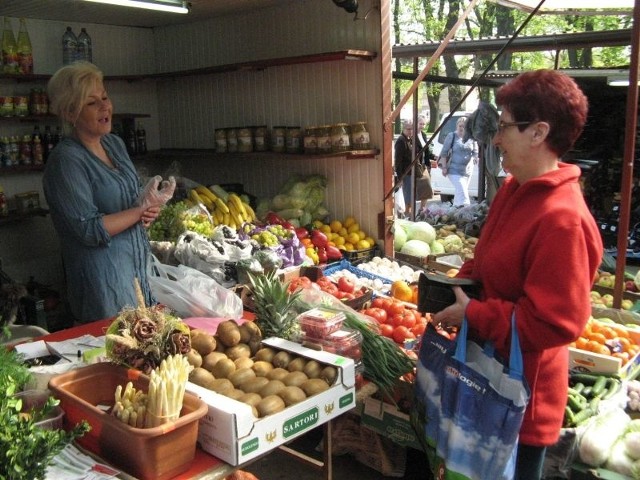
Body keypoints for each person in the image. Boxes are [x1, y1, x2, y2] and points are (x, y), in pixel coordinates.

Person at [433, 69, 603, 480]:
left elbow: (553, 323)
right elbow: (487, 259)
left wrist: (473, 315)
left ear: (538, 132)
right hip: (482, 379)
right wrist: (455, 287)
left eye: (505, 126)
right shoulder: (514, 189)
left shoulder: (563, 220)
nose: (495, 138)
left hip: (518, 404)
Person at [43, 61, 175, 323]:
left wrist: (147, 207)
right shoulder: (66, 161)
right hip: (103, 284)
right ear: (71, 112)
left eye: (104, 97)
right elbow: (88, 229)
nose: (105, 106)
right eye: (92, 103)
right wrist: (138, 212)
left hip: (137, 273)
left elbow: (128, 204)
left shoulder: (114, 144)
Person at [437, 116, 478, 206]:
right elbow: (444, 153)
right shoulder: (451, 136)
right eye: (460, 126)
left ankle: (455, 213)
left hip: (467, 171)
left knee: (459, 193)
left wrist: (475, 158)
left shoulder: (471, 138)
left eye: (464, 126)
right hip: (454, 170)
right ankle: (467, 212)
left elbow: (475, 152)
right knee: (463, 194)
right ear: (457, 126)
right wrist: (444, 168)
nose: (462, 128)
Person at [394, 120, 414, 216]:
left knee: (409, 196)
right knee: (406, 197)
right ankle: (406, 214)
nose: (410, 131)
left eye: (412, 129)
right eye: (408, 129)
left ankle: (406, 214)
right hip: (405, 173)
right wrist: (400, 177)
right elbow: (398, 161)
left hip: (410, 172)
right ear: (404, 129)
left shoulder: (409, 139)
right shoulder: (401, 141)